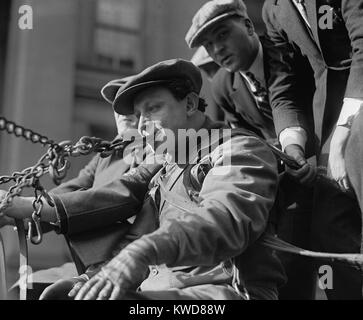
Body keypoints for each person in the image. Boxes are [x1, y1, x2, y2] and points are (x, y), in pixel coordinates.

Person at [56, 58, 287, 300]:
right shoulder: (165, 171)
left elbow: (225, 218)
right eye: (138, 115)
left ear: (189, 104)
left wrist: (145, 250)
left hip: (224, 294)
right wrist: (90, 280)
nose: (143, 126)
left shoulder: (235, 149)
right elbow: (135, 240)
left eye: (153, 109)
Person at [185, 0, 315, 299]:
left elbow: (288, 101)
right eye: (208, 43)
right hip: (287, 184)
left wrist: (295, 150)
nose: (216, 50)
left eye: (221, 36)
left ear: (247, 26)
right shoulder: (223, 85)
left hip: (324, 162)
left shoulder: (285, 51)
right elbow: (247, 139)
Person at [0, 76, 162, 287]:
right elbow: (72, 190)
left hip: (145, 264)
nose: (123, 113)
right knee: (26, 288)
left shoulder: (166, 149)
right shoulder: (106, 157)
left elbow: (119, 195)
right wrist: (16, 209)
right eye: (118, 105)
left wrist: (27, 207)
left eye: (130, 104)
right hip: (94, 262)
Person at [262, 0, 363, 299]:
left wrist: (343, 136)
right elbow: (285, 85)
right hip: (326, 121)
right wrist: (293, 147)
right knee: (328, 231)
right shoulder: (273, 10)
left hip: (357, 101)